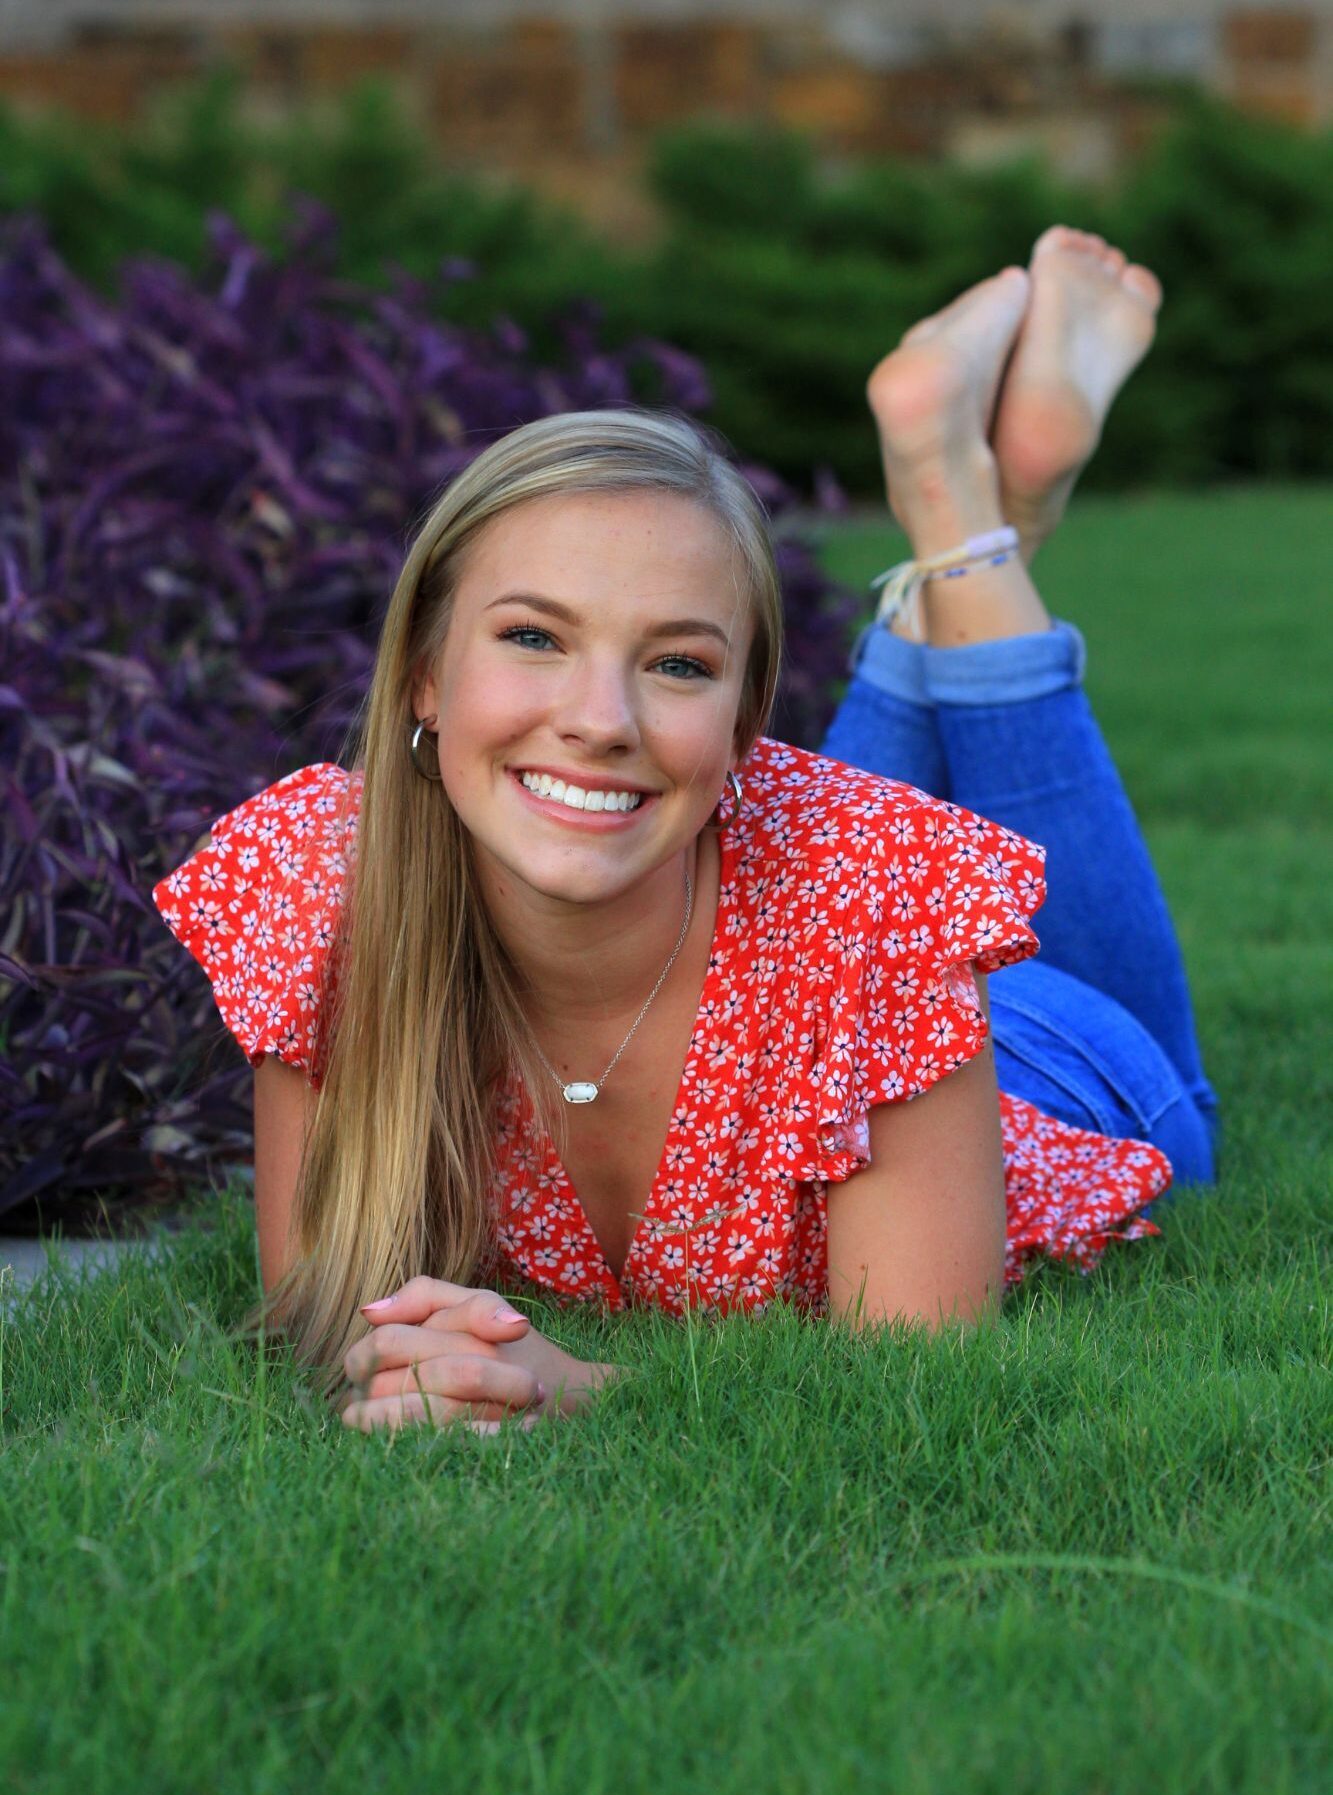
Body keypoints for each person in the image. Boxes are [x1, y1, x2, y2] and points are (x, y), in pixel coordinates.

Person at [152, 226, 1218, 1437]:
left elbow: (917, 1386)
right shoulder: (324, 895)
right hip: (802, 949)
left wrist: (584, 1391)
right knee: (813, 848)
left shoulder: (865, 892)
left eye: (675, 663)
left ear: (744, 725)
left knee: (928, 916)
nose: (598, 719)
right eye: (533, 637)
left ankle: (956, 504)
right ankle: (992, 516)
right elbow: (322, 1307)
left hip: (1039, 1071)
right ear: (423, 676)